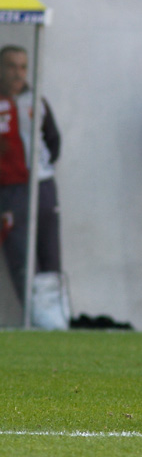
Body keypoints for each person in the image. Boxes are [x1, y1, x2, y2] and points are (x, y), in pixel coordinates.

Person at [0, 45, 62, 309]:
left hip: (42, 185)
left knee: (50, 254)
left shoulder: (37, 101)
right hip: (10, 190)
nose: (18, 73)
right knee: (20, 257)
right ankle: (33, 315)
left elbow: (53, 140)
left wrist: (42, 168)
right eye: (11, 66)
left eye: (23, 67)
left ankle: (55, 316)